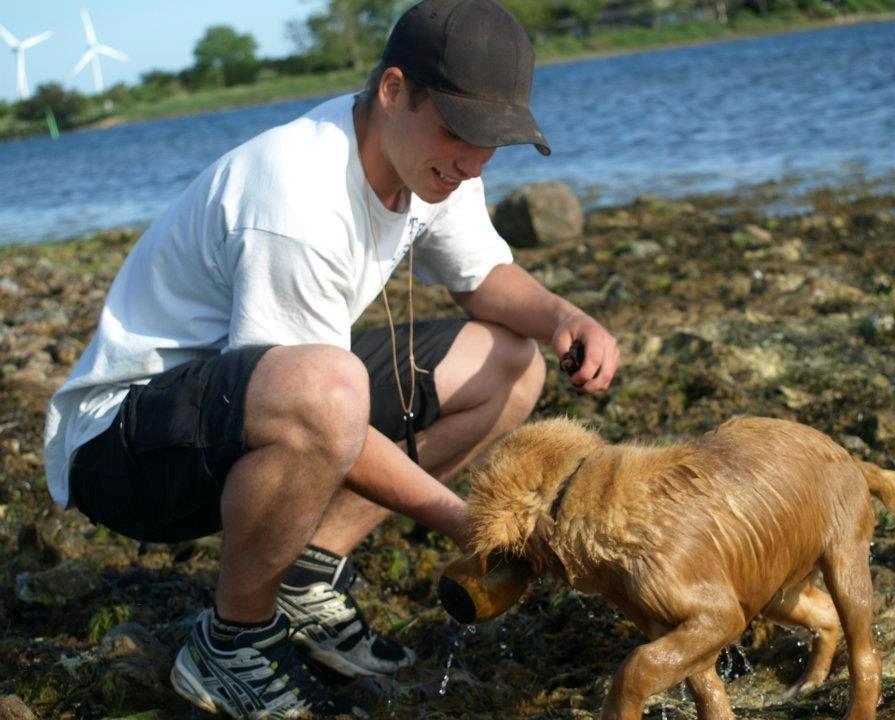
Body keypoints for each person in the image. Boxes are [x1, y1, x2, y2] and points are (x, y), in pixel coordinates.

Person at [43, 0, 619, 716]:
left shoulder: (433, 163)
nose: (474, 164)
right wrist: (469, 520)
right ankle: (232, 643)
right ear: (393, 91)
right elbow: (314, 410)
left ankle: (306, 577)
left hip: (258, 398)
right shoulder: (298, 196)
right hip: (124, 450)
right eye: (460, 133)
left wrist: (568, 316)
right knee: (329, 387)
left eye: (492, 142)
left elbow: (480, 278)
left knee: (511, 362)